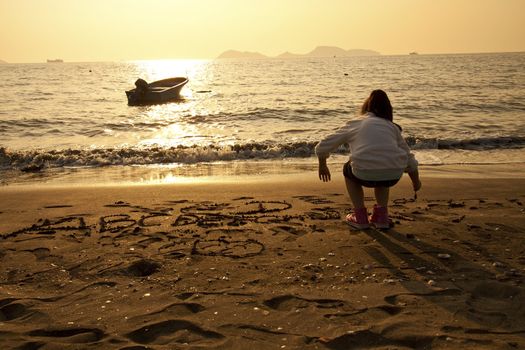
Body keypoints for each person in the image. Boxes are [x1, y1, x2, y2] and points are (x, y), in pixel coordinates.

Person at [315, 89, 421, 229]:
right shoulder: (392, 127)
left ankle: (360, 217)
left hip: (363, 173)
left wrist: (322, 164)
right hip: (393, 174)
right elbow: (408, 157)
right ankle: (381, 217)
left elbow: (323, 146)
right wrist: (415, 181)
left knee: (348, 169)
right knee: (384, 165)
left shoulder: (356, 123)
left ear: (366, 106)